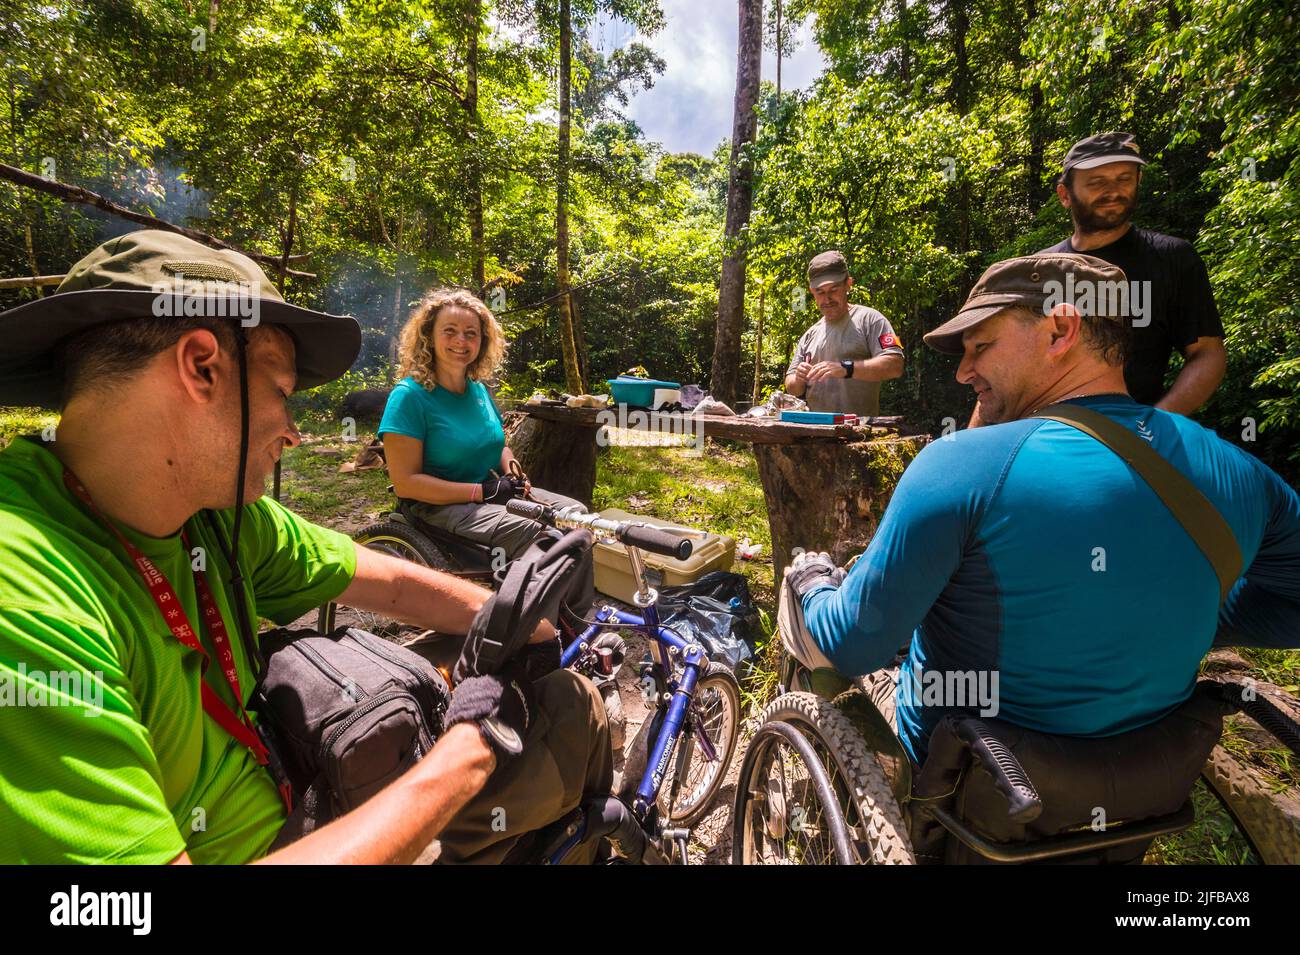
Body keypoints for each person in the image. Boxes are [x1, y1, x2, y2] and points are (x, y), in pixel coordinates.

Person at [0, 229, 611, 864]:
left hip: (288, 772)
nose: (294, 434)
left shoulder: (207, 512)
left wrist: (515, 622)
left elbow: (391, 582)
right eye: (282, 393)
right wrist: (467, 751)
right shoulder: (27, 601)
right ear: (201, 366)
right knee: (560, 739)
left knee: (566, 707)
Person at [790, 252, 1300, 766]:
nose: (965, 372)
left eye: (981, 346)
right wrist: (1181, 611)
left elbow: (855, 645)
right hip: (1151, 778)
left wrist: (811, 582)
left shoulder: (958, 465)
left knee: (812, 622)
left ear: (1060, 330)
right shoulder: (1238, 471)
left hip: (972, 777)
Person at [378, 288, 594, 611]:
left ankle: (575, 616)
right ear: (429, 336)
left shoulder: (477, 391)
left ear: (482, 342)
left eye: (471, 334)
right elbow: (407, 483)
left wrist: (512, 471)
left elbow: (498, 444)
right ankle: (537, 630)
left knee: (578, 517)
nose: (460, 342)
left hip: (489, 494)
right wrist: (482, 492)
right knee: (542, 534)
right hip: (435, 508)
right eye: (449, 331)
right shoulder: (409, 397)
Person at [1036, 132, 1225, 417]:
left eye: (1124, 179)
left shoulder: (1171, 258)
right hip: (1045, 433)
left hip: (1135, 436)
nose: (1113, 191)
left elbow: (1207, 353)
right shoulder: (1037, 269)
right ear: (1065, 194)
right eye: (1097, 182)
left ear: (1138, 181)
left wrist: (1155, 424)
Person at [783, 251, 904, 416]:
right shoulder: (809, 335)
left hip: (858, 434)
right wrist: (798, 378)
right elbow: (791, 386)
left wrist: (846, 368)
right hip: (813, 433)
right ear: (811, 291)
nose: (827, 299)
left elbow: (895, 364)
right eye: (820, 292)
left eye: (833, 289)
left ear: (848, 284)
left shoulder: (873, 319)